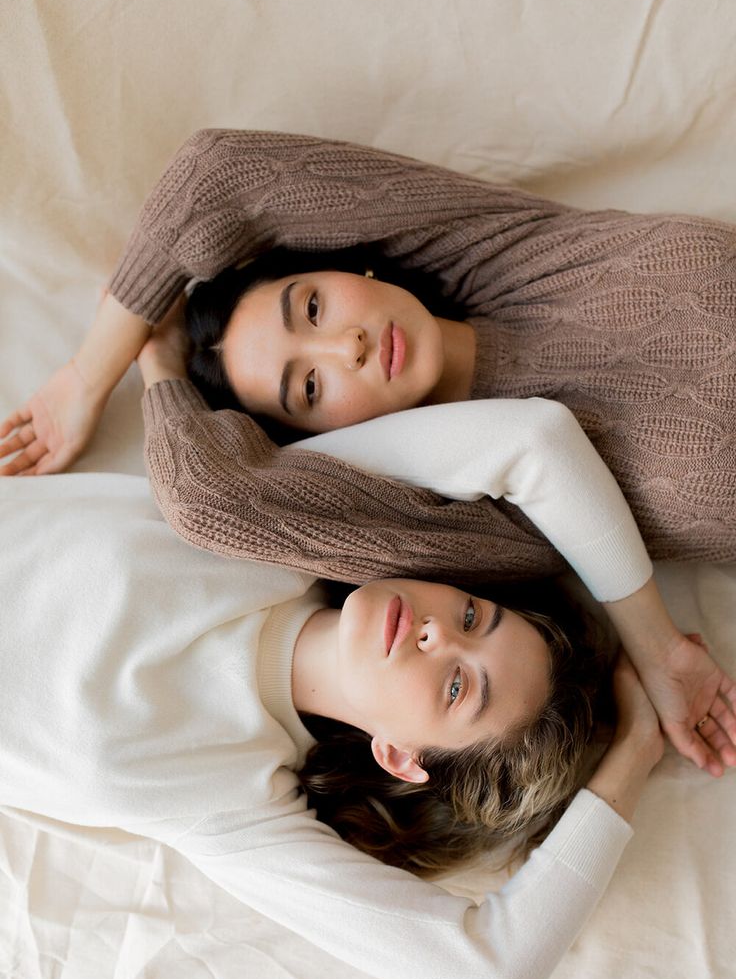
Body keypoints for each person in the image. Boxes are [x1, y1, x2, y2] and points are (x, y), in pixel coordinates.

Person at [2, 130, 736, 774]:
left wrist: (85, 375)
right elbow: (207, 498)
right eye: (309, 386)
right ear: (320, 435)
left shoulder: (487, 250)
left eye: (314, 307)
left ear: (353, 271)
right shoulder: (470, 523)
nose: (345, 345)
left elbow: (217, 174)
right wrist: (156, 370)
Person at [0, 449, 671, 979]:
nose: (437, 634)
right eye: (471, 616)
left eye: (457, 686)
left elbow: (495, 973)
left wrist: (636, 747)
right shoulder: (290, 514)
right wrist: (653, 638)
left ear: (402, 758)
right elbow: (532, 440)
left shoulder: (236, 801)